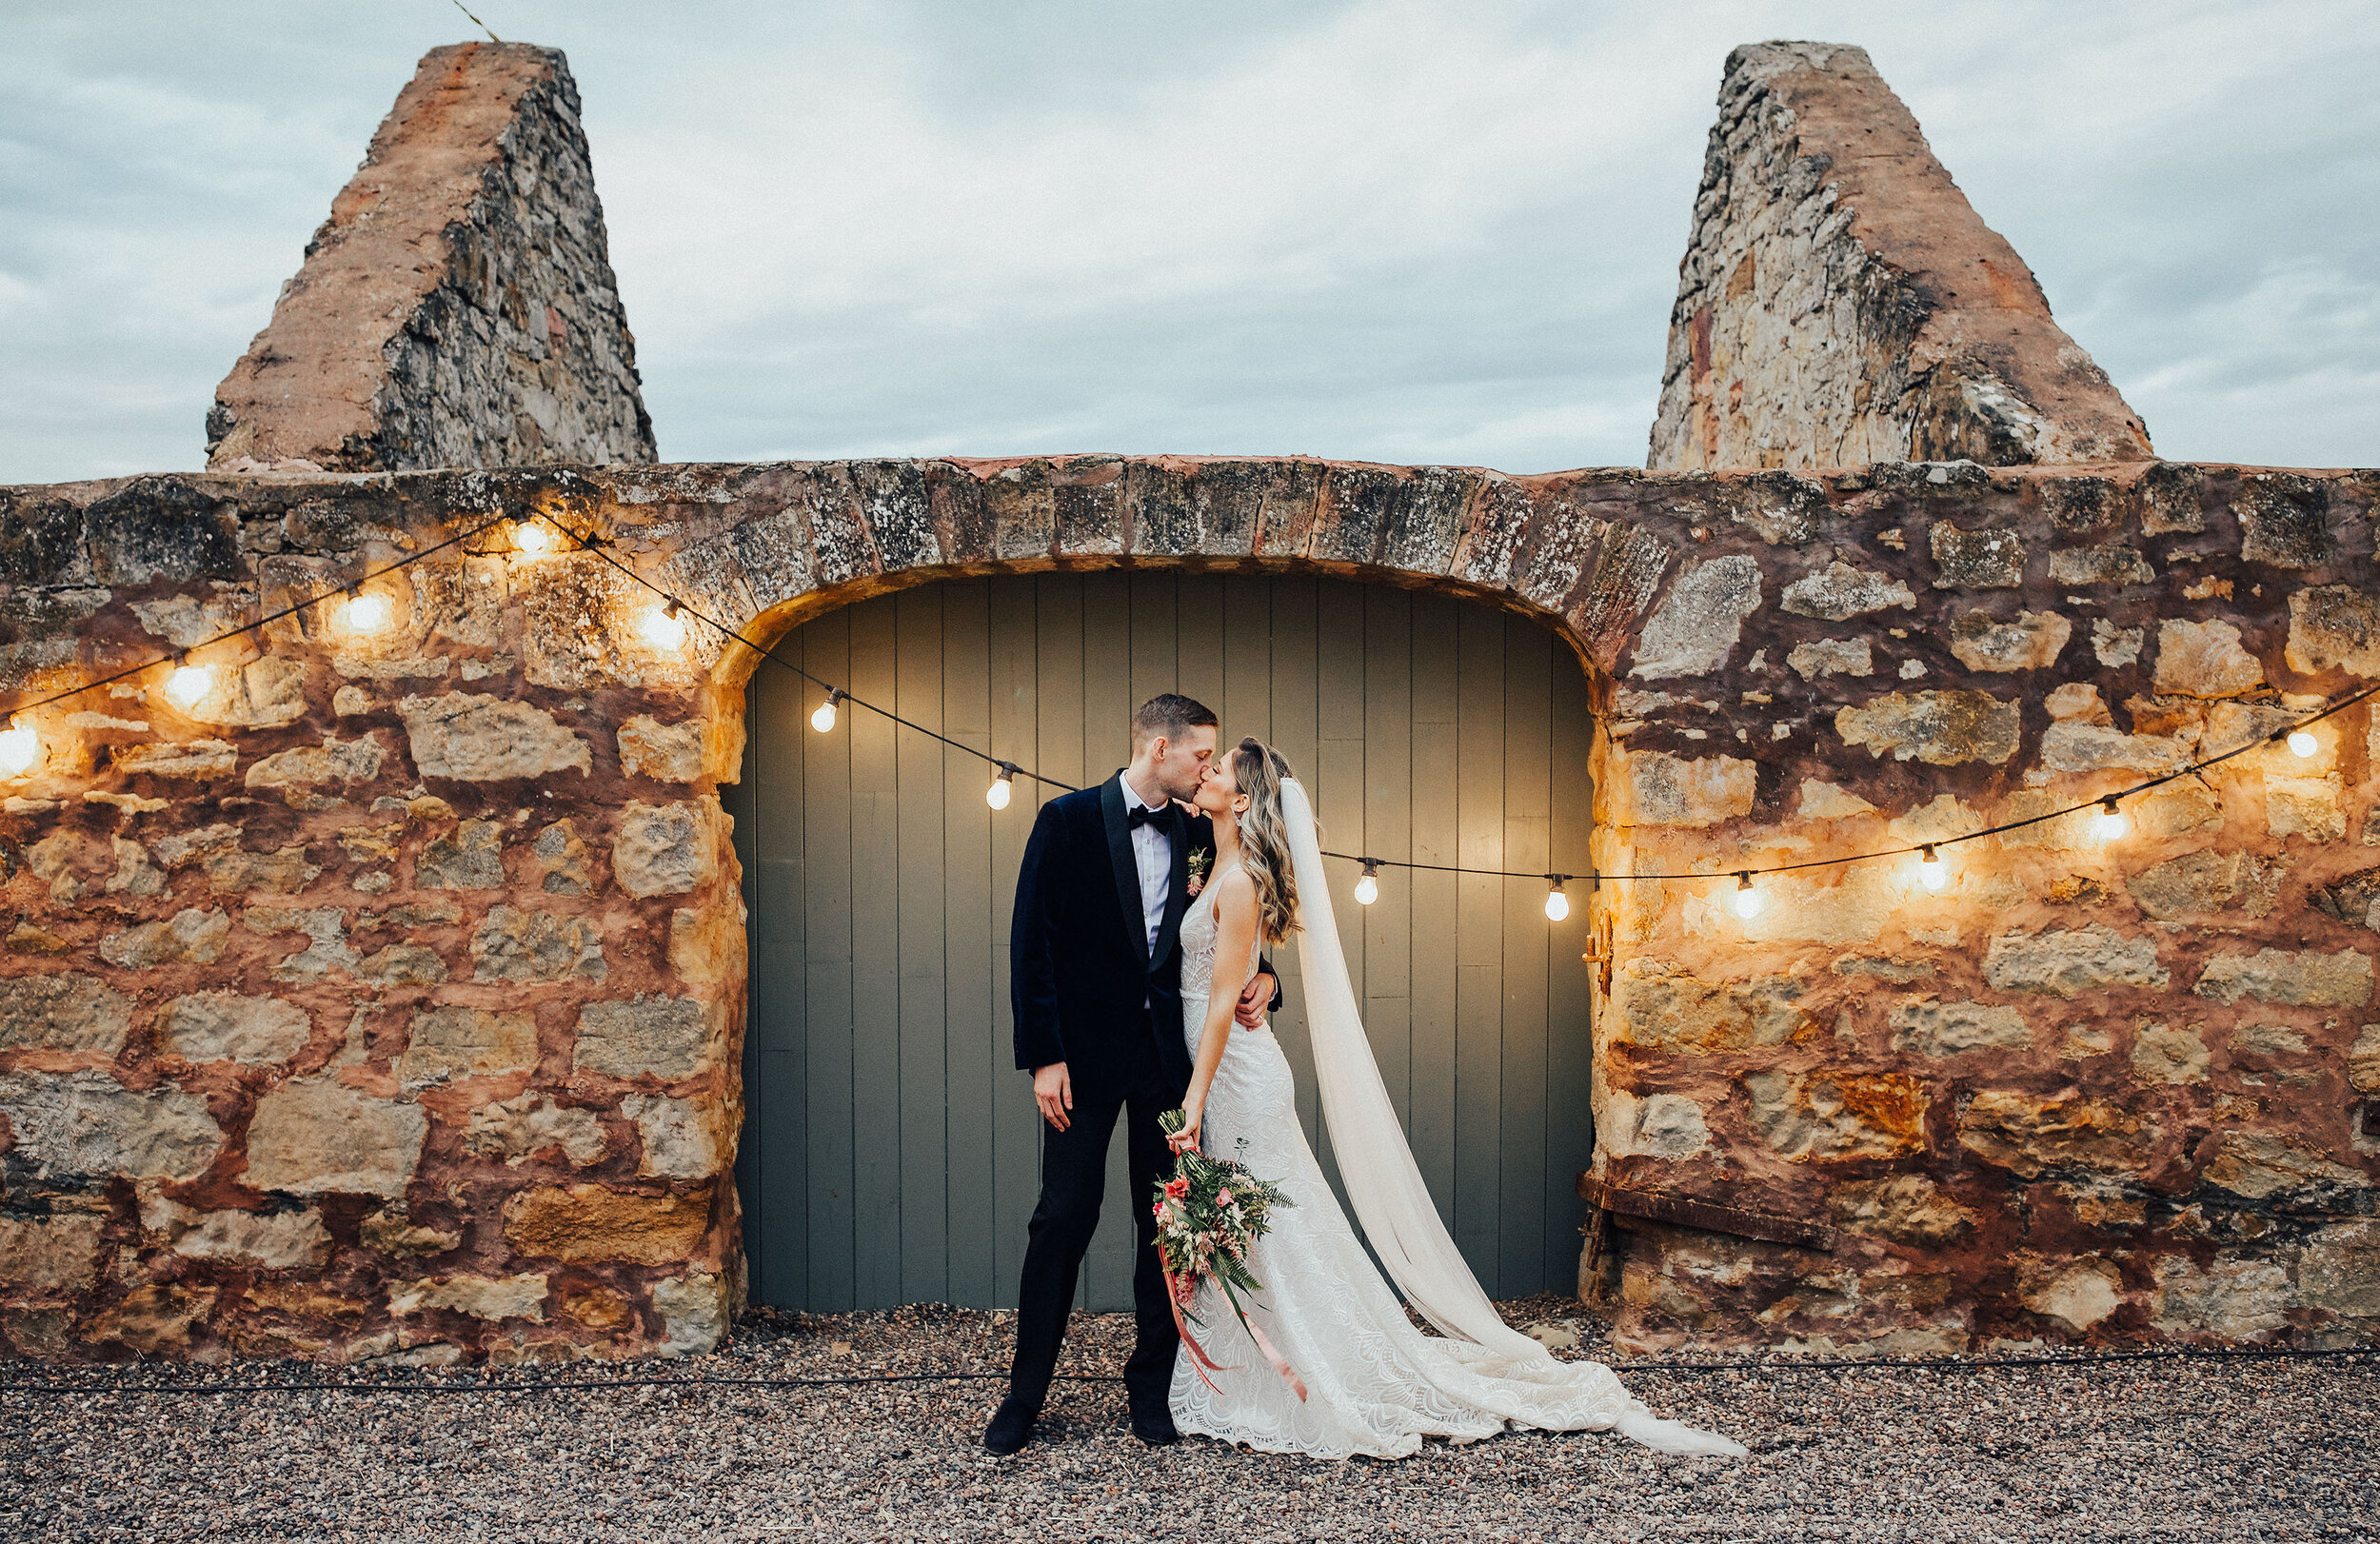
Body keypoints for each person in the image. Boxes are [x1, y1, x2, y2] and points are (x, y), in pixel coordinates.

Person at [1163, 737, 1748, 1460]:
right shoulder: (1211, 860)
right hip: (1218, 1066)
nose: (1206, 771)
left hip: (1236, 1073)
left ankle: (1316, 1374)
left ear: (1244, 798)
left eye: (1218, 768)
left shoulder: (1241, 881)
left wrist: (1192, 1099)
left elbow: (1223, 1000)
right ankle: (1264, 1366)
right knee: (1263, 1221)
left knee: (1274, 1222)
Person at [983, 694, 1279, 1456]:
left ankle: (1152, 1391)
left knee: (1165, 1228)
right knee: (1062, 1217)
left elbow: (1232, 918)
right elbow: (1032, 944)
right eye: (1200, 756)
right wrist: (1044, 1056)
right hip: (1079, 1065)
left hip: (1166, 1067)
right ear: (1158, 748)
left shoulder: (1199, 833)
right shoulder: (1067, 820)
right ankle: (1023, 1397)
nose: (1209, 769)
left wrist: (1268, 978)